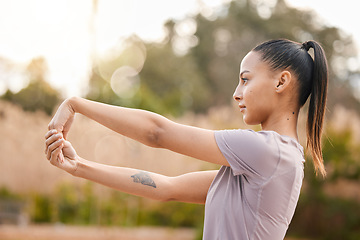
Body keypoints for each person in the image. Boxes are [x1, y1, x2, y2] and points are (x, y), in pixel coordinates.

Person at [45, 38, 328, 240]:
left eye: (245, 79)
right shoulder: (264, 163)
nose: (236, 93)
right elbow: (166, 188)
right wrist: (79, 166)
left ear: (281, 82)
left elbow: (158, 133)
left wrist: (76, 104)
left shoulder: (268, 152)